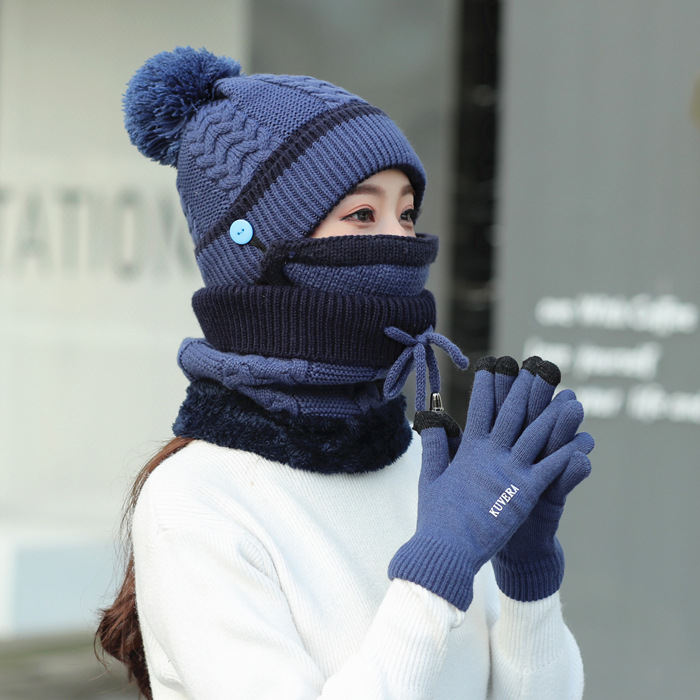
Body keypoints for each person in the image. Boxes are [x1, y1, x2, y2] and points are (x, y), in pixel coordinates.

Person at [97, 47, 594, 700]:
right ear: (252, 246)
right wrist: (432, 574)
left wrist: (527, 576)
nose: (400, 240)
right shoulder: (196, 500)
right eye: (363, 214)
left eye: (408, 213)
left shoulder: (422, 465)